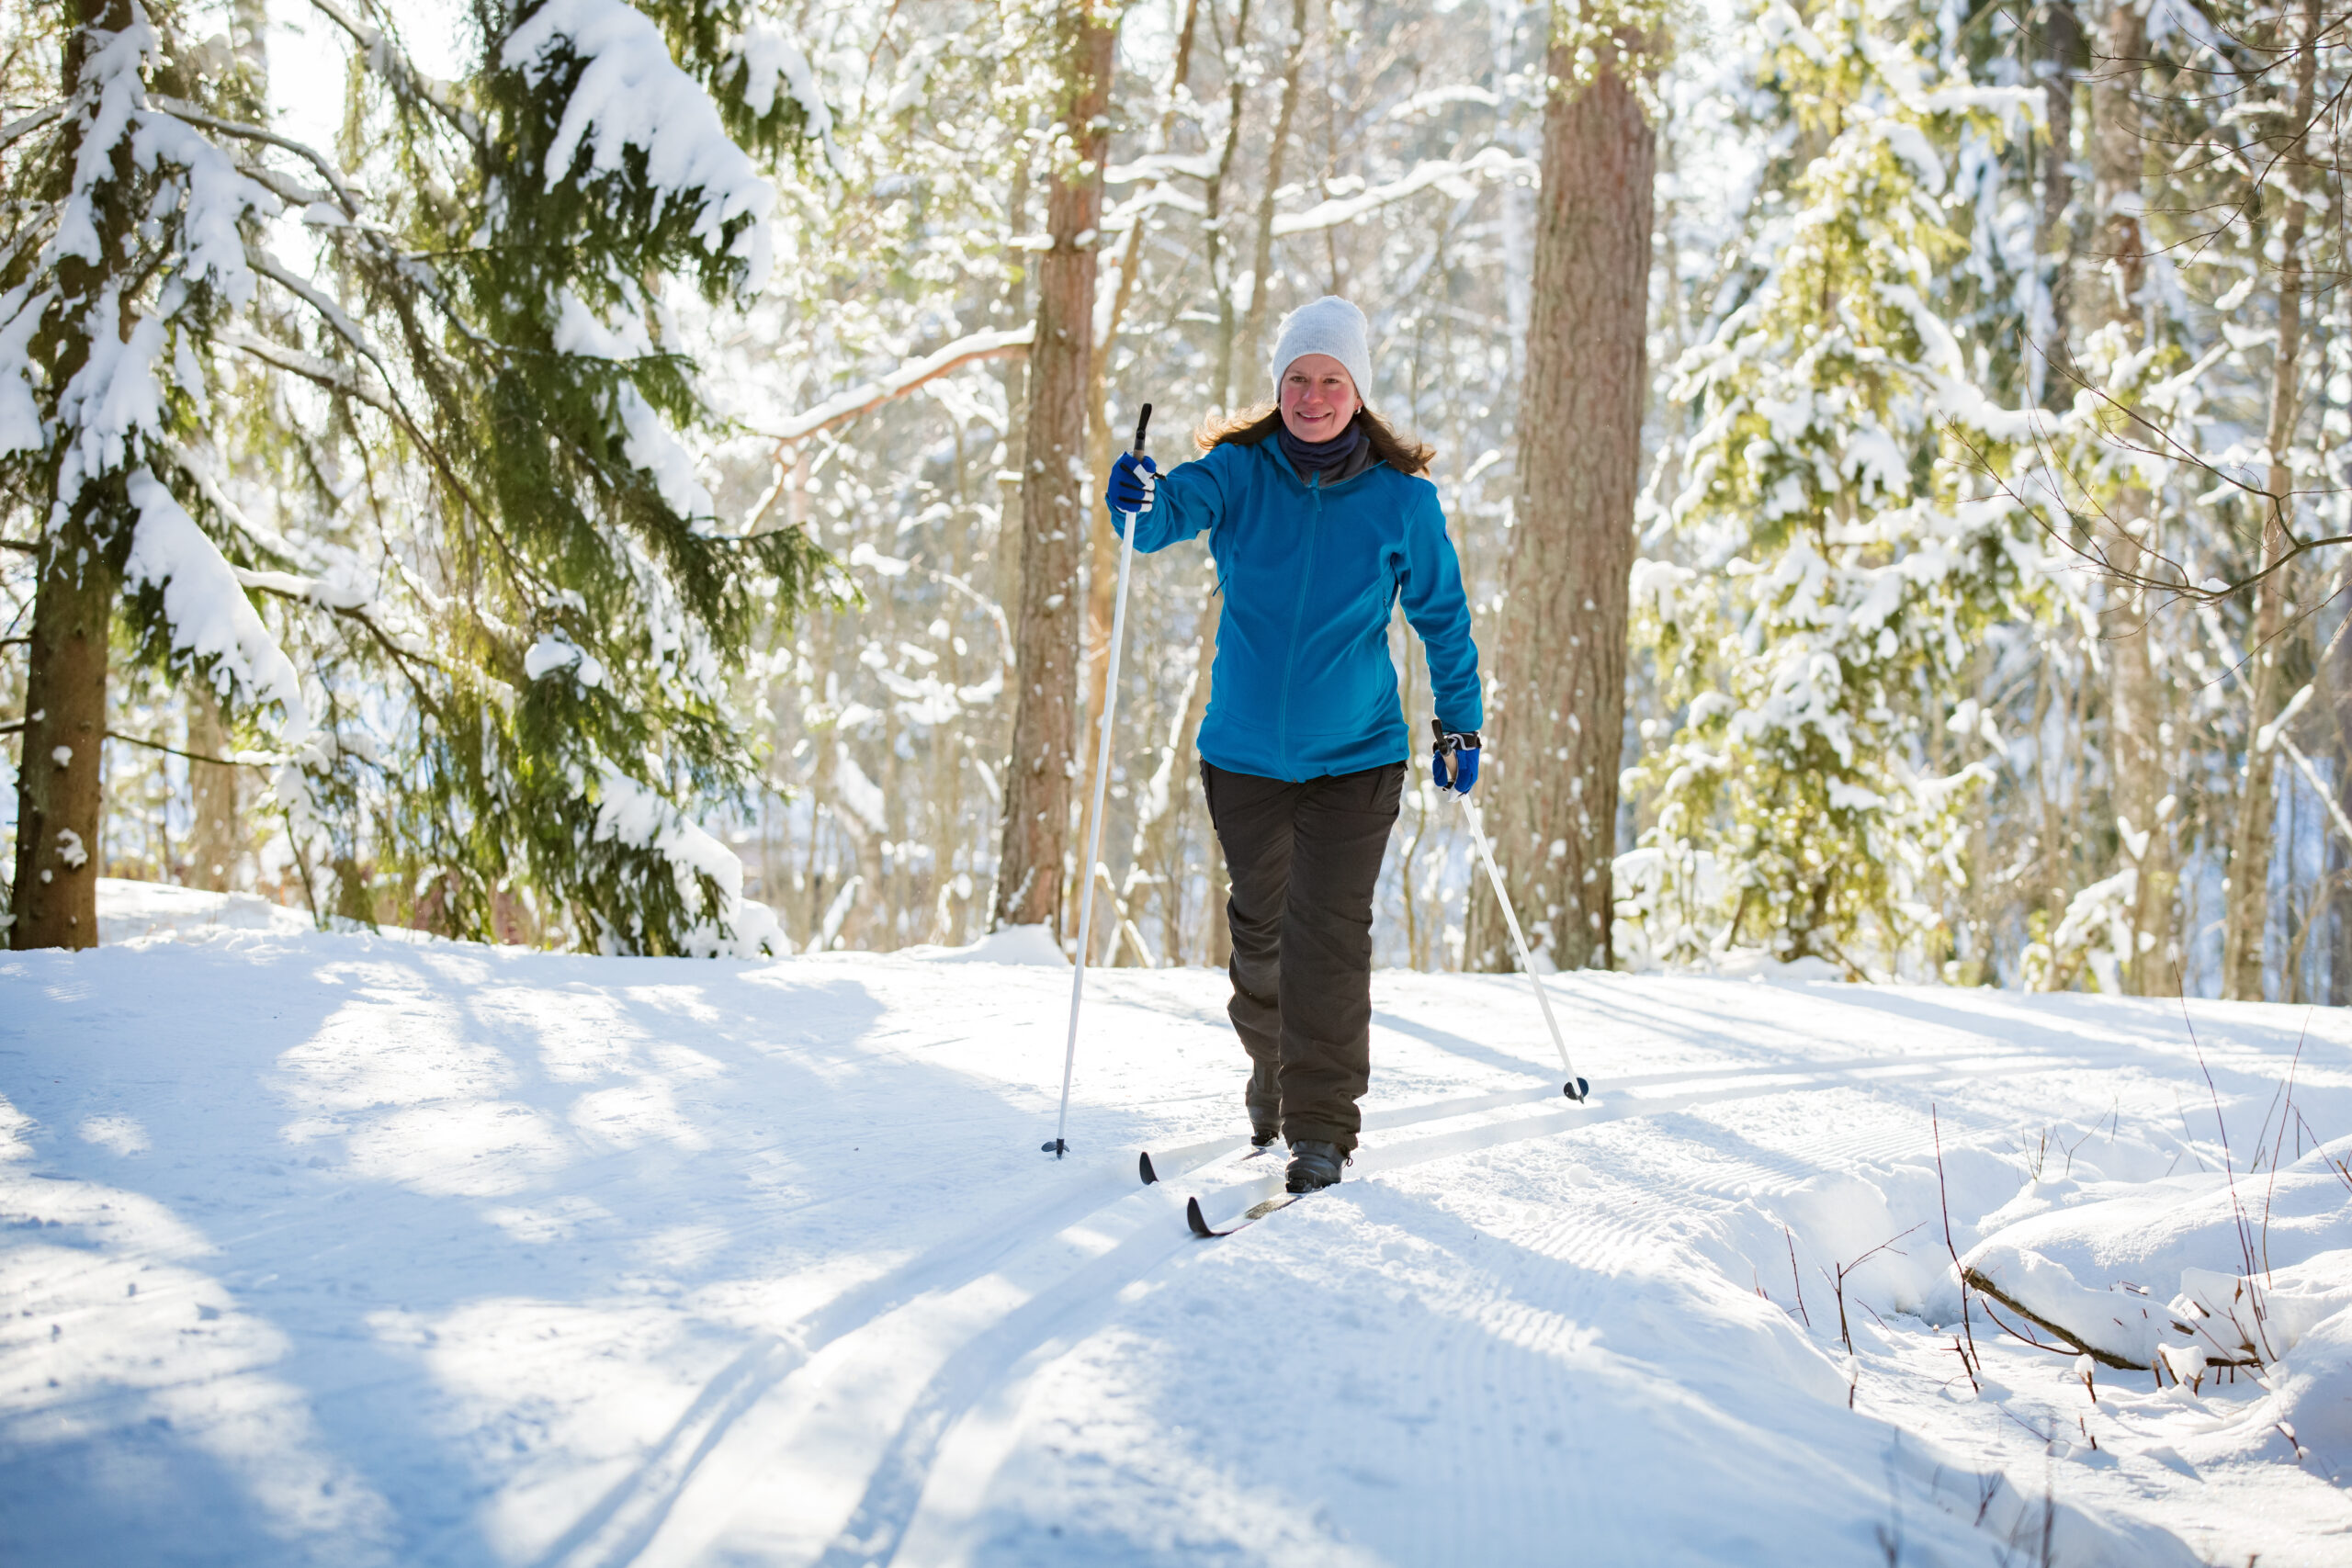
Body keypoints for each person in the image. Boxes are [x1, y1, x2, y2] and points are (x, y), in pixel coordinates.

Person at [1102, 296, 1483, 1195]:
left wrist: (1458, 719)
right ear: (1278, 388)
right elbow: (1160, 518)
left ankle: (1320, 1126)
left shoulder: (1402, 502)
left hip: (1357, 757)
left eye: (1330, 380)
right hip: (1242, 756)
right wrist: (1138, 497)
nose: (1312, 395)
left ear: (1358, 393)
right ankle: (1271, 1074)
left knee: (1327, 938)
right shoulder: (1236, 474)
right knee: (1260, 935)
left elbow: (1443, 619)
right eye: (1298, 379)